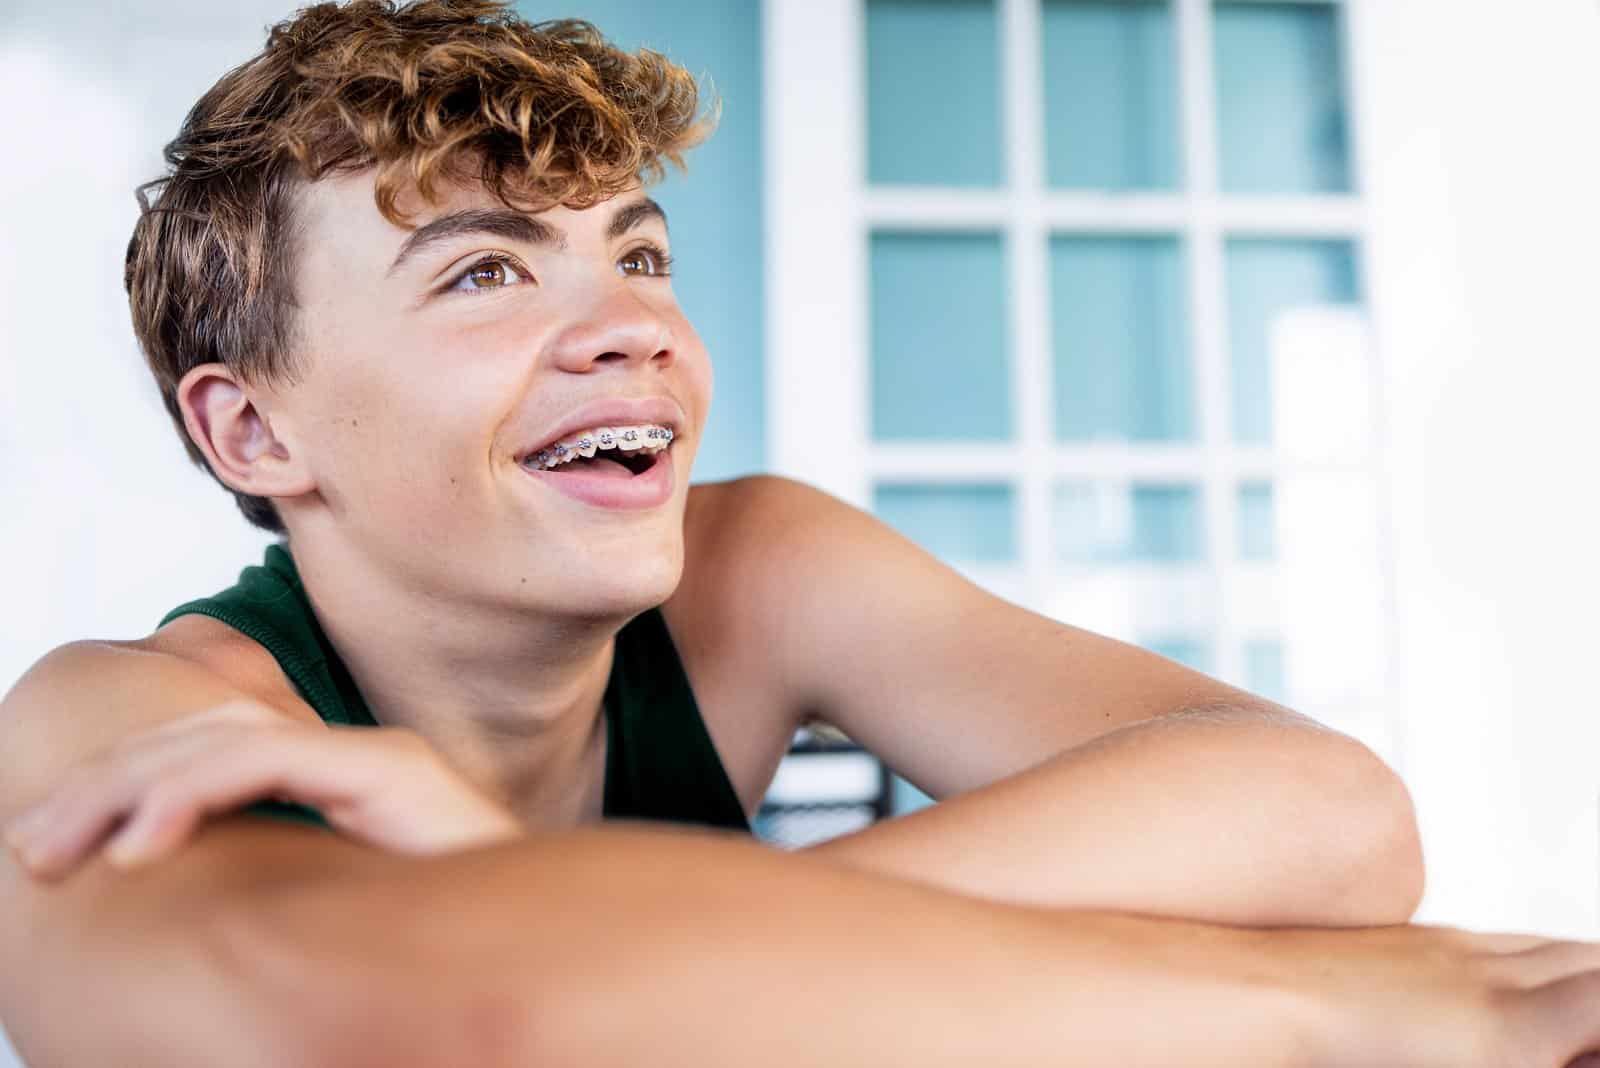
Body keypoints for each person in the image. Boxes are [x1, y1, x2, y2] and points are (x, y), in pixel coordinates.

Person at [2, 2, 1598, 1065]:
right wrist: (1330, 1005)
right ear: (253, 430)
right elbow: (440, 1019)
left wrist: (560, 903)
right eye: (484, 274)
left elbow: (1330, 816)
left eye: (637, 254)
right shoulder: (116, 720)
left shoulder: (751, 566)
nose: (632, 327)